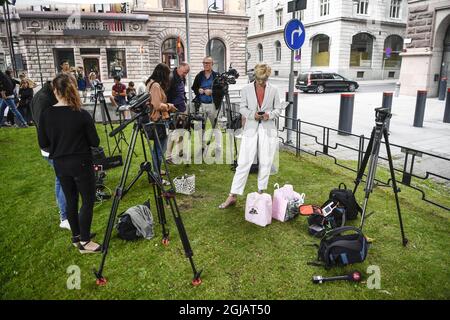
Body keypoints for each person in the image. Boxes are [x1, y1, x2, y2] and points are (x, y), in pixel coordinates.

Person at [38, 73, 101, 253]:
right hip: (80, 162)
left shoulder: (47, 114)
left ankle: (77, 237)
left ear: (55, 91)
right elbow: (94, 141)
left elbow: (43, 143)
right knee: (87, 201)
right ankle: (85, 241)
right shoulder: (81, 114)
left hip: (60, 163)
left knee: (71, 200)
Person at [219, 64, 282, 209]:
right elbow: (242, 107)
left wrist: (269, 115)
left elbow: (278, 108)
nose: (261, 82)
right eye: (259, 79)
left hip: (268, 129)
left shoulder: (274, 90)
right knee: (243, 162)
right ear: (255, 75)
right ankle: (232, 195)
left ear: (267, 77)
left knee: (266, 162)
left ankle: (260, 193)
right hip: (251, 128)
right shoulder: (246, 89)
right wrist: (251, 115)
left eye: (264, 79)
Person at [30, 80, 69, 230]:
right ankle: (64, 217)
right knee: (65, 179)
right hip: (52, 149)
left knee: (60, 179)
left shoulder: (44, 95)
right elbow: (45, 128)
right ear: (57, 89)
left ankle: (63, 213)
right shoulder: (43, 100)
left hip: (52, 148)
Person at [145, 63, 177, 177]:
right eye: (168, 74)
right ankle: (156, 174)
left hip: (156, 119)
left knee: (157, 149)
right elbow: (157, 105)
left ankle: (156, 170)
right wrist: (169, 106)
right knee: (160, 150)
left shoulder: (150, 83)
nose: (169, 77)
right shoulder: (155, 86)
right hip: (159, 120)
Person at [192, 57, 219, 153]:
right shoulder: (199, 75)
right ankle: (202, 147)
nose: (205, 65)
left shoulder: (216, 76)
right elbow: (194, 87)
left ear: (212, 64)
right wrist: (198, 90)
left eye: (208, 63)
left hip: (213, 105)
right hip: (201, 104)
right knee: (201, 126)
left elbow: (221, 90)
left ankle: (217, 147)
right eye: (204, 63)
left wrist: (212, 92)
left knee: (215, 126)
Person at [166, 62, 190, 163]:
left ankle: (180, 151)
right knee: (172, 132)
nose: (185, 75)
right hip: (173, 108)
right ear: (179, 68)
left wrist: (184, 99)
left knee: (182, 130)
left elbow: (182, 90)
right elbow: (166, 93)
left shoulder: (182, 77)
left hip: (182, 107)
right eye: (184, 72)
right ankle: (168, 156)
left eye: (186, 73)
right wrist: (169, 107)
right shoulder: (170, 77)